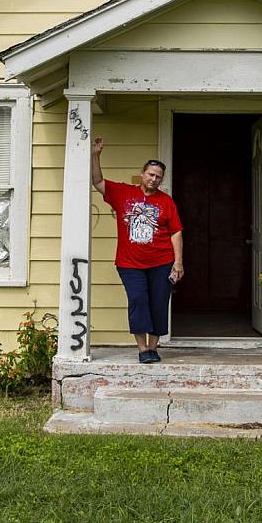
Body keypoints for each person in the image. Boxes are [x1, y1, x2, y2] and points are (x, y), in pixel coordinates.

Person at [91, 137, 184, 364]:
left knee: (159, 303)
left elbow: (176, 232)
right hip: (129, 263)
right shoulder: (122, 193)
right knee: (138, 300)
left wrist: (178, 262)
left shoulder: (166, 202)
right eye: (151, 174)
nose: (154, 179)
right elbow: (97, 181)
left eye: (158, 176)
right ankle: (142, 349)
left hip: (162, 262)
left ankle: (153, 347)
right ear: (143, 174)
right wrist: (95, 155)